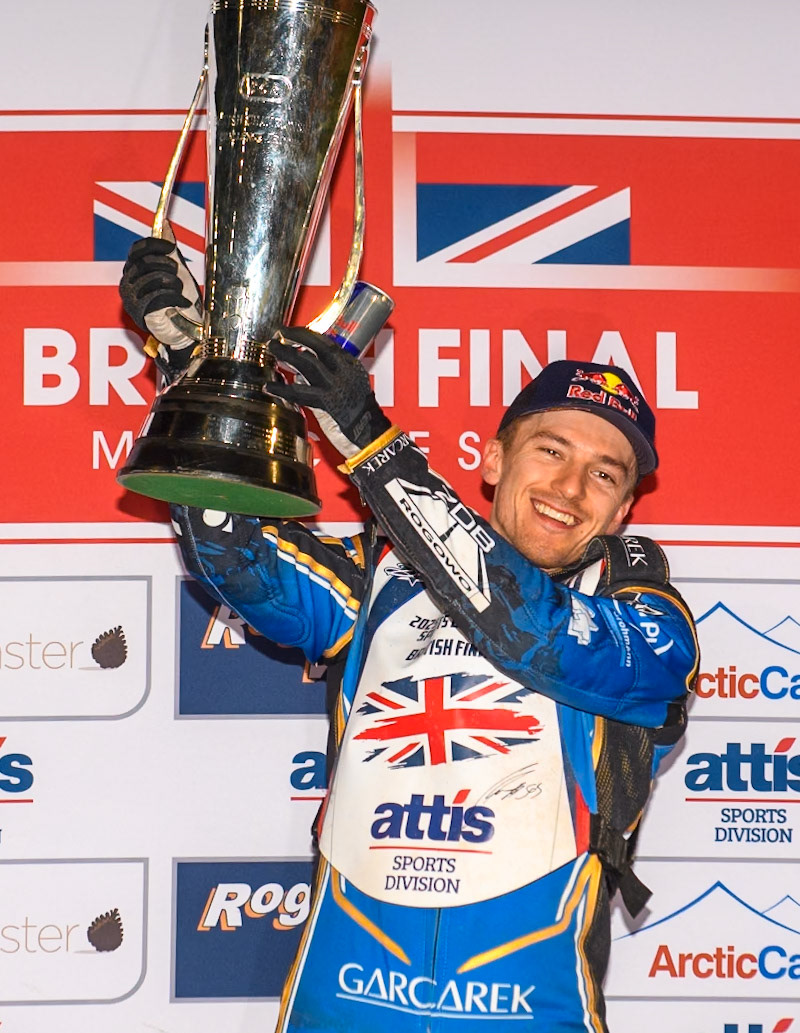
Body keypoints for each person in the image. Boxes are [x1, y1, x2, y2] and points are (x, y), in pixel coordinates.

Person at [121, 238, 699, 1033]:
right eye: (550, 450)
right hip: (340, 1001)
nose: (570, 486)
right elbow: (236, 557)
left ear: (625, 510)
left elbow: (538, 635)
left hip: (528, 1014)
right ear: (493, 460)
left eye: (606, 473)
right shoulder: (383, 575)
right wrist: (199, 372)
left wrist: (372, 441)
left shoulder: (646, 622)